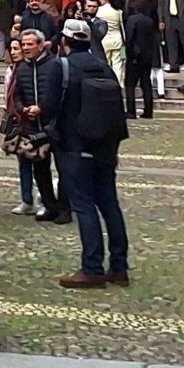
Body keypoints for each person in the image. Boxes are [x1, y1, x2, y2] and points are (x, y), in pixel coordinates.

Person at [52, 18, 131, 288]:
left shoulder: (62, 67)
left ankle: (92, 267)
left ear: (64, 40)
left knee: (84, 207)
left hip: (75, 147)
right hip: (106, 146)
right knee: (109, 205)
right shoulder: (103, 66)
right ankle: (119, 267)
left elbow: (50, 107)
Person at [6, 30, 65, 221]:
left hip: (55, 126)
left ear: (40, 45)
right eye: (23, 44)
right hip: (33, 128)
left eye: (29, 44)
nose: (25, 48)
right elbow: (17, 95)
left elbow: (60, 95)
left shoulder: (55, 65)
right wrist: (23, 109)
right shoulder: (22, 68)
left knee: (64, 169)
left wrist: (42, 108)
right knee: (40, 170)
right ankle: (49, 206)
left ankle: (65, 208)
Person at [122, 0, 160, 120]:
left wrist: (129, 53)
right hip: (147, 56)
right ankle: (148, 110)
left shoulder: (132, 20)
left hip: (135, 56)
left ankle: (131, 110)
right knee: (146, 83)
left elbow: (130, 38)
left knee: (130, 85)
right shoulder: (149, 21)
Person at [159, 0, 184, 79]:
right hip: (169, 20)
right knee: (171, 44)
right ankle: (174, 65)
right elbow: (160, 7)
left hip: (181, 20)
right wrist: (161, 20)